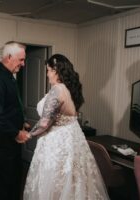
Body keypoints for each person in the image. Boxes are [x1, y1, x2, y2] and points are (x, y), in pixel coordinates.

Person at [23, 54, 109, 200]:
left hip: (57, 143)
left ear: (56, 71)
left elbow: (45, 122)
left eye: (49, 70)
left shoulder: (57, 90)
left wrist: (28, 135)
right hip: (71, 140)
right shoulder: (69, 89)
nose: (47, 74)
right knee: (73, 181)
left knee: (56, 181)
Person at [0, 41, 30, 200]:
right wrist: (16, 132)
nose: (23, 64)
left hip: (7, 137)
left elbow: (9, 108)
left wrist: (21, 122)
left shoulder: (8, 76)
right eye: (21, 60)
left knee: (14, 182)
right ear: (9, 57)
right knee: (4, 186)